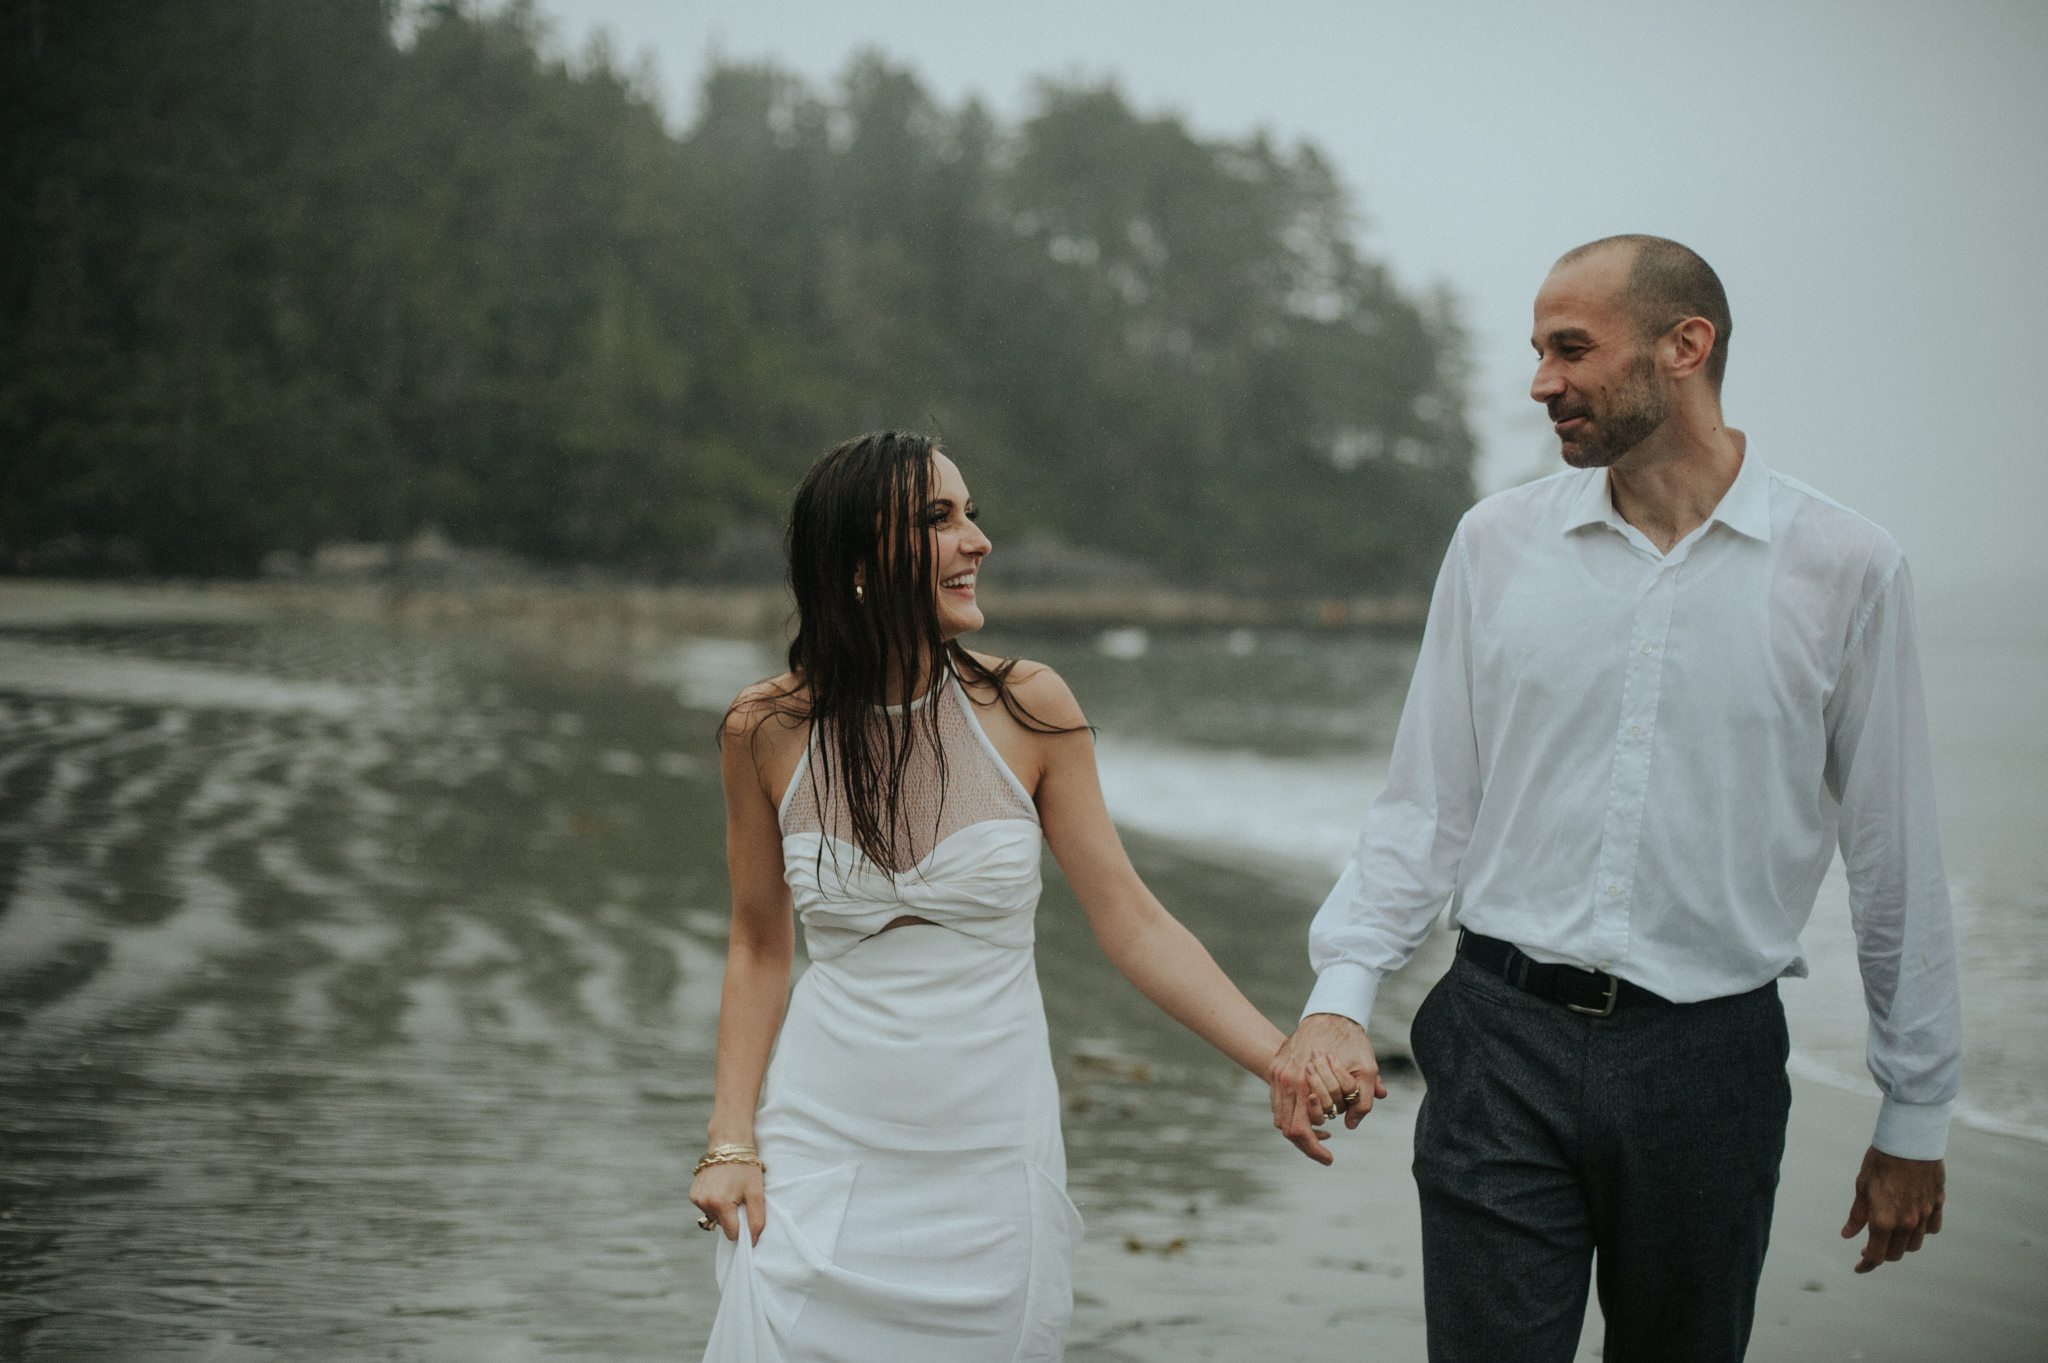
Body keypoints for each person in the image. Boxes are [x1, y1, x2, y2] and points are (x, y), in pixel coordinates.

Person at [1265, 236, 1963, 1361]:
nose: (1540, 379)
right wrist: (1340, 993)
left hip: (1710, 1064)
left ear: (1684, 346)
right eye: (1538, 350)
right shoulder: (1493, 545)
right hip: (1497, 1038)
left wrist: (1914, 1110)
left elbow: (1892, 858)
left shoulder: (1847, 566)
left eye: (1570, 348)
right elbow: (1424, 809)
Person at [690, 431, 1315, 1361]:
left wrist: (1279, 1058)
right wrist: (730, 1139)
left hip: (987, 1163)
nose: (977, 539)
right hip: (822, 1147)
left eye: (971, 512)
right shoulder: (767, 728)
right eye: (939, 518)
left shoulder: (1030, 708)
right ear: (859, 560)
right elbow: (756, 944)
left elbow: (1134, 922)